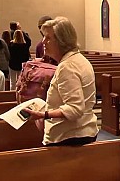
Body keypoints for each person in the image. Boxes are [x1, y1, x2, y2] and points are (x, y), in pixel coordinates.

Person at [23, 17, 99, 146]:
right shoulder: (79, 59)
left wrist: (43, 114)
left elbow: (75, 109)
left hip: (69, 137)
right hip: (82, 132)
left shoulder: (67, 66)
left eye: (48, 38)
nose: (43, 42)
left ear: (61, 41)